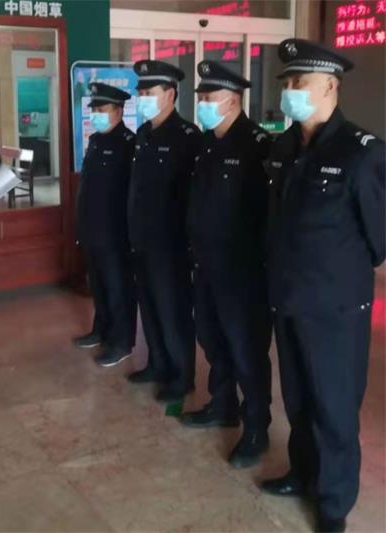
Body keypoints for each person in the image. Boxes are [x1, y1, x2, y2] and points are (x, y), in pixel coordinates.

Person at [261, 39, 385, 533]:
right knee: (298, 399)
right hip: (288, 298)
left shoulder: (362, 152)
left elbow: (379, 240)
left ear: (330, 87)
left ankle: (334, 503)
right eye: (288, 82)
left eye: (301, 81)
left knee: (334, 406)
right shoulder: (284, 148)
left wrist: (335, 272)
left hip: (335, 308)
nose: (291, 90)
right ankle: (302, 472)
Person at [179, 61, 273, 468]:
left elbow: (267, 215)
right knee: (212, 338)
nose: (202, 103)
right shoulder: (207, 143)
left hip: (243, 273)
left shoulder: (257, 145)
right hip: (206, 264)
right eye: (200, 97)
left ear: (233, 100)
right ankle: (222, 404)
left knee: (247, 350)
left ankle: (256, 428)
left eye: (209, 97)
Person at [127, 60, 202, 403]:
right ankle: (157, 364)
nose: (142, 97)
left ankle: (181, 375)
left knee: (173, 312)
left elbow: (192, 197)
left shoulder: (187, 137)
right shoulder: (144, 134)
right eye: (140, 91)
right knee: (149, 306)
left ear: (170, 94)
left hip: (170, 245)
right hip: (142, 239)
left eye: (149, 91)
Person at [73, 82, 137, 367]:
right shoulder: (96, 140)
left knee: (118, 288)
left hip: (115, 232)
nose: (96, 114)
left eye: (102, 109)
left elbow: (131, 194)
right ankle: (101, 330)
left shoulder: (128, 143)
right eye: (94, 109)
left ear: (119, 111)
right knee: (98, 286)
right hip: (93, 229)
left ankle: (121, 342)